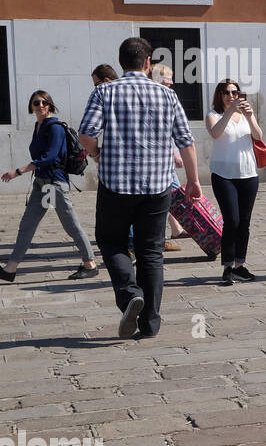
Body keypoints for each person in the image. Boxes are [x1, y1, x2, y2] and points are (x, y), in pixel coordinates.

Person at [79, 37, 200, 340]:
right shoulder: (167, 95)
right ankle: (150, 323)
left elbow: (85, 135)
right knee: (151, 252)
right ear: (148, 63)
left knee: (111, 241)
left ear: (121, 63)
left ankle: (129, 293)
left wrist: (97, 154)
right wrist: (194, 180)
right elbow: (186, 140)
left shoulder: (104, 91)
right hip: (157, 186)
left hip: (116, 185)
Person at [1, 91, 98, 283]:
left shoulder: (54, 127)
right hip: (41, 184)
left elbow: (50, 156)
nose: (41, 105)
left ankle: (90, 264)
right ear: (31, 107)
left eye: (44, 102)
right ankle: (10, 269)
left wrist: (18, 171)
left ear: (50, 105)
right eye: (36, 103)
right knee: (27, 225)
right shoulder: (39, 126)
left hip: (54, 184)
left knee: (71, 225)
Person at [206, 80, 263, 286]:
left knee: (244, 223)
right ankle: (227, 267)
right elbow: (215, 133)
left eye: (235, 92)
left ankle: (240, 265)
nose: (231, 95)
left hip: (248, 174)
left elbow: (258, 136)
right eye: (227, 92)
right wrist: (230, 112)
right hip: (223, 175)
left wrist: (249, 116)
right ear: (219, 95)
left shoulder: (247, 114)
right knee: (232, 220)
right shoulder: (214, 115)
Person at [149, 63, 190, 252]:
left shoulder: (165, 96)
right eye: (167, 78)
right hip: (160, 161)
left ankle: (174, 230)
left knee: (171, 196)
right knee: (171, 196)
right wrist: (174, 153)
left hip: (163, 161)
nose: (172, 82)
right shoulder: (156, 98)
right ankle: (158, 237)